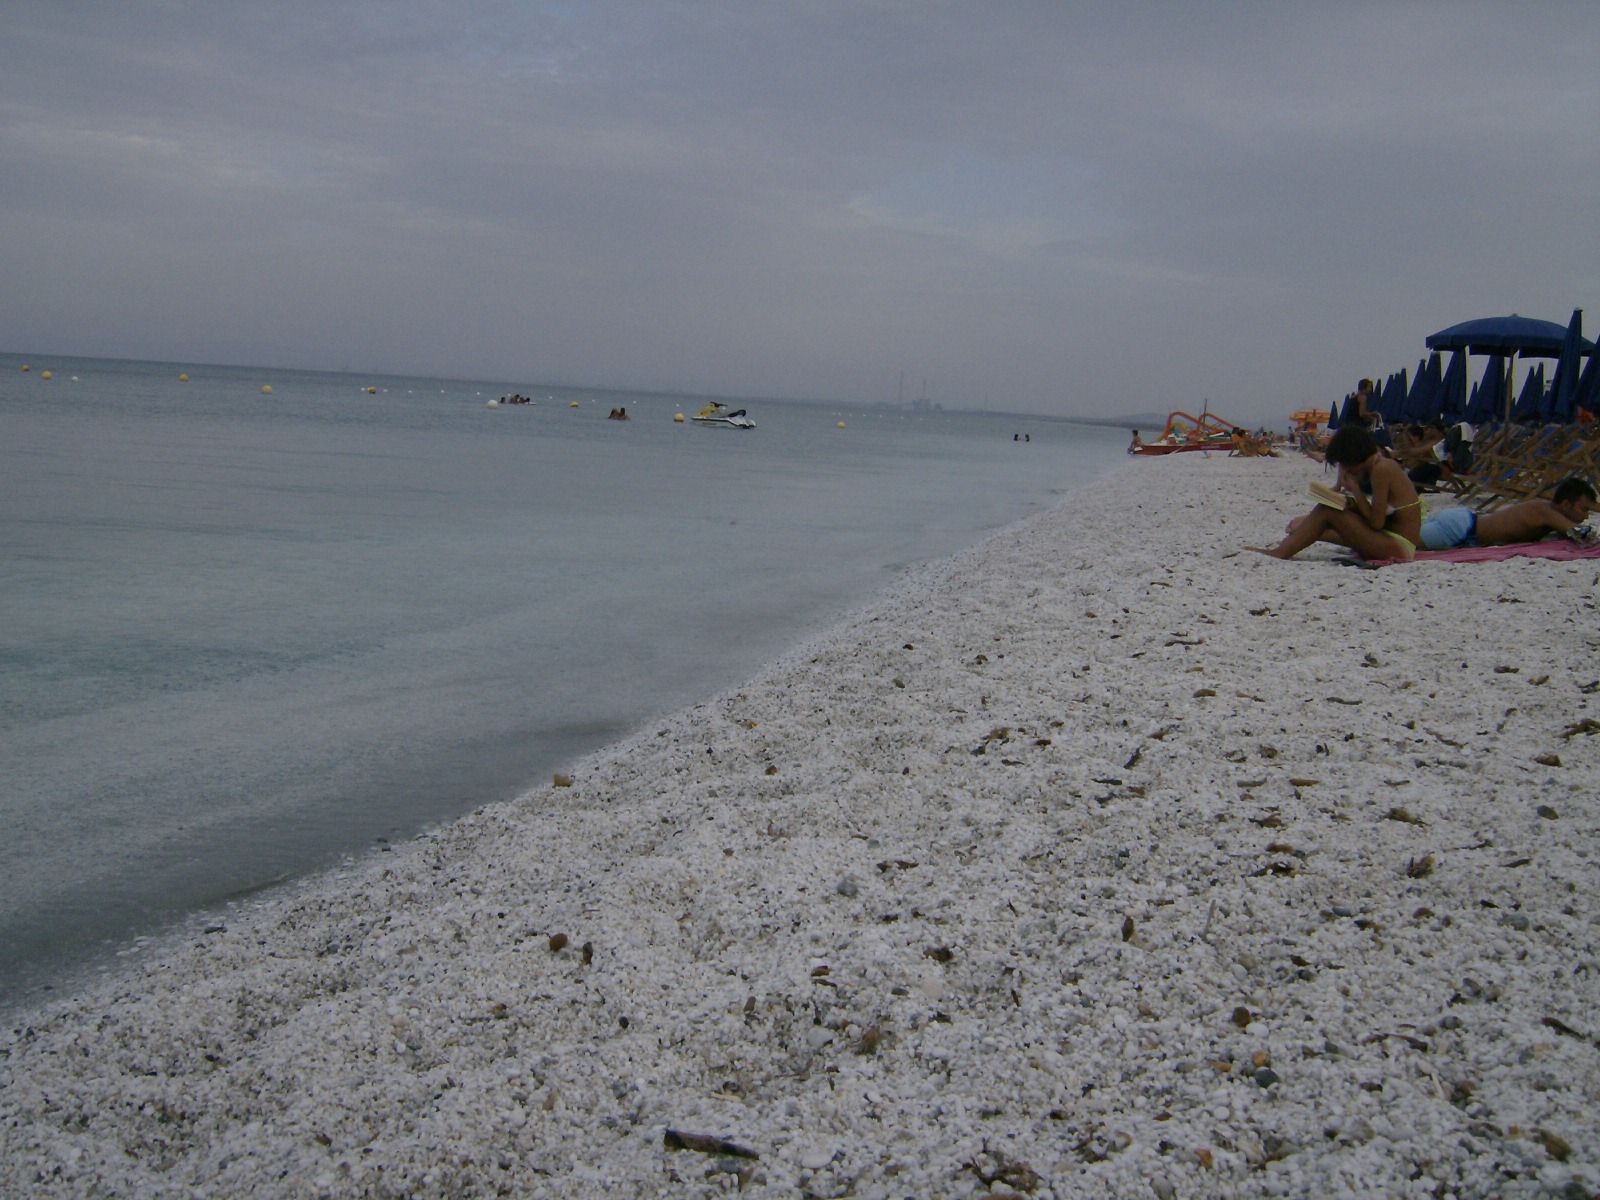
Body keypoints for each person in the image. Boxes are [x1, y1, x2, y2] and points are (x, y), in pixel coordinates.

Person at [1247, 424, 1423, 560]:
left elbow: (1376, 523)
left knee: (1327, 510)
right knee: (1329, 508)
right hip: (1393, 538)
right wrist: (1352, 503)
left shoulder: (1381, 470)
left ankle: (1279, 552)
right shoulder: (1382, 465)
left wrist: (1356, 492)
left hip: (1398, 546)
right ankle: (1285, 547)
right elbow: (1380, 517)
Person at [1419, 478, 1597, 549]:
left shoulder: (1545, 511)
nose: (1586, 515)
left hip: (1464, 523)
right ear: (1566, 504)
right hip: (1462, 529)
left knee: (1400, 534)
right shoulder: (1545, 511)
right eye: (1584, 509)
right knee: (1400, 541)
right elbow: (1578, 533)